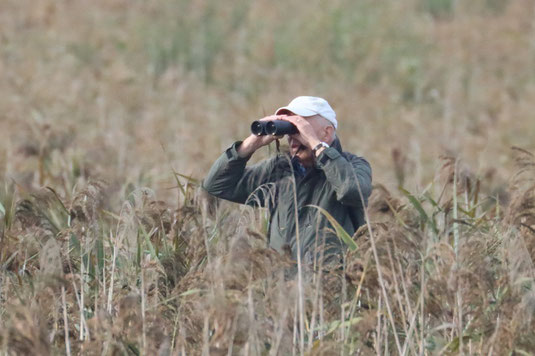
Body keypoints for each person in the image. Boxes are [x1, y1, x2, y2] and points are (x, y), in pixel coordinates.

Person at [202, 96, 372, 265]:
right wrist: (249, 145)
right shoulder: (280, 170)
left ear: (326, 133)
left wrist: (315, 144)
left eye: (299, 127)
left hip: (332, 285)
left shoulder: (354, 166)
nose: (292, 137)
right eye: (290, 130)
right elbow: (217, 185)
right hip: (284, 286)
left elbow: (351, 190)